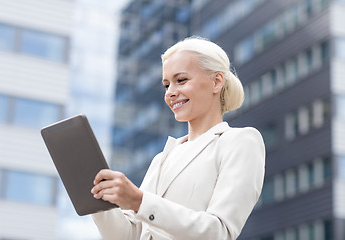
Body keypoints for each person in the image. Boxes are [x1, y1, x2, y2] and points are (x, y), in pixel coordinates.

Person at [91, 36, 265, 240]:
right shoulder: (162, 158)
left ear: (216, 82)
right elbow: (129, 235)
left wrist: (139, 201)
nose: (170, 93)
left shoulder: (240, 142)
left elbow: (220, 232)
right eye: (166, 85)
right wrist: (94, 197)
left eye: (181, 80)